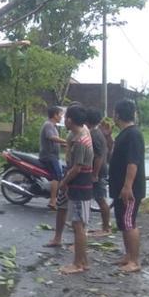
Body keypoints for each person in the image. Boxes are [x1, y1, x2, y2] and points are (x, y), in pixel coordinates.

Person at [110, 98, 146, 273]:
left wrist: (127, 186)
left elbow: (133, 163)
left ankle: (134, 260)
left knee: (129, 222)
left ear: (117, 115)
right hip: (120, 187)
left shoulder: (133, 134)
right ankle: (127, 255)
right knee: (122, 222)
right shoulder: (124, 134)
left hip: (129, 189)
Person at [57, 105, 94, 274]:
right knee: (79, 225)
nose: (64, 120)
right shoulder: (83, 133)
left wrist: (63, 182)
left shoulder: (80, 142)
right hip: (83, 186)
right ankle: (83, 261)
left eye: (65, 118)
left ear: (70, 120)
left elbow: (76, 168)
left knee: (78, 225)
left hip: (80, 187)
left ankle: (77, 264)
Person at [86, 108, 113, 235]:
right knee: (97, 198)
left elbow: (98, 156)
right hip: (100, 170)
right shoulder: (98, 133)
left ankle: (106, 227)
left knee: (101, 199)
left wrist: (95, 174)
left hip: (99, 171)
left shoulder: (95, 134)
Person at [39, 106, 67, 211]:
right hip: (49, 156)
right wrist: (66, 141)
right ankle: (52, 200)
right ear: (55, 115)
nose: (61, 117)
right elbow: (52, 138)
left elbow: (55, 141)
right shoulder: (48, 125)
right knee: (58, 176)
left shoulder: (53, 126)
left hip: (54, 155)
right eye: (60, 114)